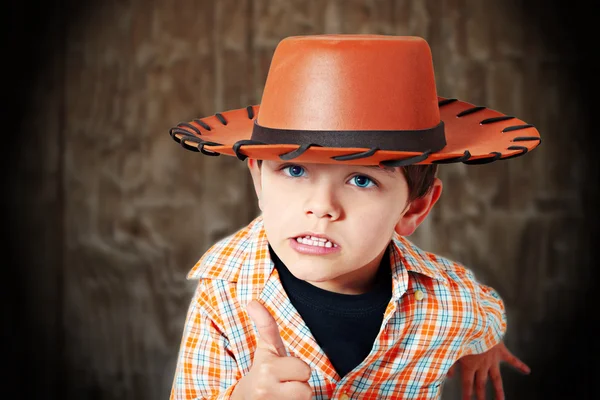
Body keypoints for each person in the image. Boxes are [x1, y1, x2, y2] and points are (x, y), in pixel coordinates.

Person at [167, 34, 539, 400]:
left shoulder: (452, 301)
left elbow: (488, 311)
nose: (322, 206)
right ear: (258, 180)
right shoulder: (221, 295)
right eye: (294, 171)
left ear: (414, 208)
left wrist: (484, 346)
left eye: (362, 180)